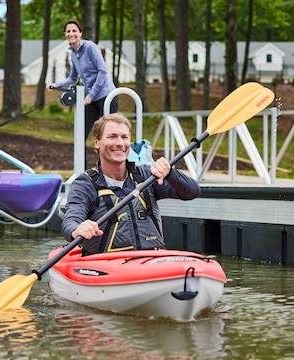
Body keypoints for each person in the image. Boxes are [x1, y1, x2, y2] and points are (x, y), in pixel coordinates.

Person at [61, 113, 201, 256]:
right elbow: (71, 219)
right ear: (97, 142)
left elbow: (192, 192)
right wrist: (77, 229)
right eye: (112, 136)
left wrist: (170, 173)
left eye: (124, 137)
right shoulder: (85, 184)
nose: (120, 143)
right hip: (104, 264)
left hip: (149, 260)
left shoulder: (148, 176)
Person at [51, 19, 119, 141]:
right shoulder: (73, 53)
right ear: (65, 34)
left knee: (110, 133)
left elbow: (103, 70)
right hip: (91, 99)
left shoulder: (90, 47)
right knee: (81, 132)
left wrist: (90, 96)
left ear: (80, 33)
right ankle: (81, 161)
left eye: (74, 31)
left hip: (106, 95)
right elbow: (72, 78)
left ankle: (117, 159)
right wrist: (56, 85)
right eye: (68, 31)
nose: (71, 34)